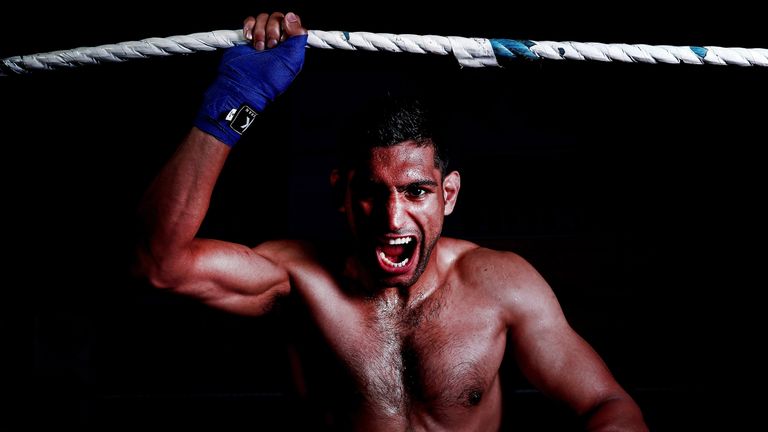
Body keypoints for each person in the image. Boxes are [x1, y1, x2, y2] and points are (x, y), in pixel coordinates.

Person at [135, 11, 648, 432]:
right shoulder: (299, 281)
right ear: (341, 192)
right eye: (371, 193)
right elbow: (160, 262)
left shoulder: (502, 284)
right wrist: (235, 102)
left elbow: (610, 407)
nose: (391, 216)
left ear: (448, 195)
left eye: (416, 192)